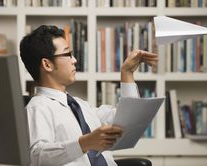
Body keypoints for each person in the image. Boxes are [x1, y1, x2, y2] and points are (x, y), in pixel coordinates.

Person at [20, 25, 158, 166]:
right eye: (67, 54)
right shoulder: (37, 108)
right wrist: (84, 143)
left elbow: (129, 119)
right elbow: (37, 156)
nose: (74, 60)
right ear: (47, 64)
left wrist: (127, 72)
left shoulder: (81, 106)